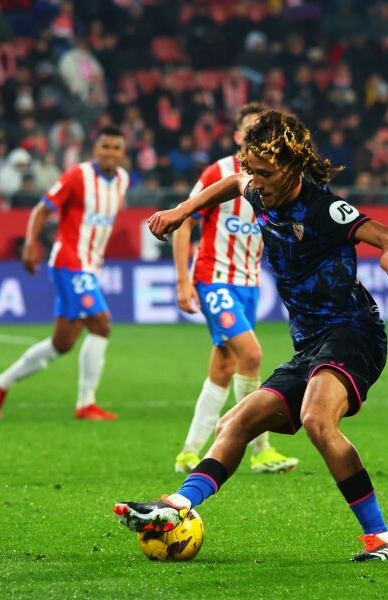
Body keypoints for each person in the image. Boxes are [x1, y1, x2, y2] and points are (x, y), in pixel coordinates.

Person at [114, 110, 388, 562]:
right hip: (310, 345)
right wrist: (182, 212)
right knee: (234, 423)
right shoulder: (258, 192)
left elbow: (387, 234)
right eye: (252, 171)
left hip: (353, 332)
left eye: (265, 173)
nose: (255, 182)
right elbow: (229, 185)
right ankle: (176, 506)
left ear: (293, 168)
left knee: (318, 420)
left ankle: (382, 542)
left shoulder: (325, 208)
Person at [172, 103, 299, 475]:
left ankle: (188, 452)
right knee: (252, 355)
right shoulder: (219, 171)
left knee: (224, 364)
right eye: (250, 129)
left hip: (248, 283)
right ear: (238, 136)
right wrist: (183, 281)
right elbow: (184, 220)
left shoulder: (277, 177)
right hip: (214, 276)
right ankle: (260, 450)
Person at [0, 126, 129, 420]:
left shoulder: (122, 180)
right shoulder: (78, 176)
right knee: (101, 325)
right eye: (105, 147)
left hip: (90, 265)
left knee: (62, 343)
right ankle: (86, 403)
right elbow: (42, 210)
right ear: (94, 150)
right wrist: (29, 245)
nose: (110, 153)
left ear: (122, 153)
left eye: (116, 148)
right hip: (69, 262)